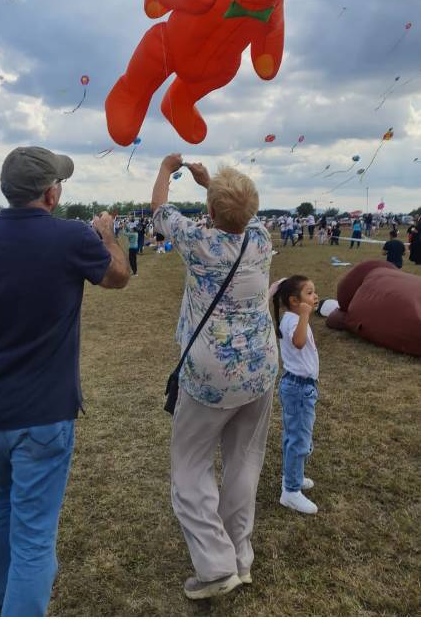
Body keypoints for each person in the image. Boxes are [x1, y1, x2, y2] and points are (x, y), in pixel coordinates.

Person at [0, 146, 130, 617]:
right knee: (33, 534)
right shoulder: (72, 237)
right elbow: (119, 277)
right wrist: (108, 235)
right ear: (51, 193)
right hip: (44, 412)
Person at [152, 154, 278, 600]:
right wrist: (213, 187)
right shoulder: (261, 239)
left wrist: (169, 171)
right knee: (245, 459)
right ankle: (239, 558)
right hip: (261, 367)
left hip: (210, 375)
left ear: (210, 211)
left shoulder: (198, 242)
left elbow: (160, 212)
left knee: (189, 466)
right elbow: (241, 215)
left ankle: (215, 565)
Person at [272, 275, 319, 515]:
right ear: (293, 301)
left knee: (298, 437)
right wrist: (304, 315)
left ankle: (294, 477)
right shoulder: (293, 319)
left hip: (302, 387)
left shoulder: (293, 317)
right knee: (298, 440)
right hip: (298, 388)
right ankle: (290, 491)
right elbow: (299, 343)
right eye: (309, 293)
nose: (315, 296)